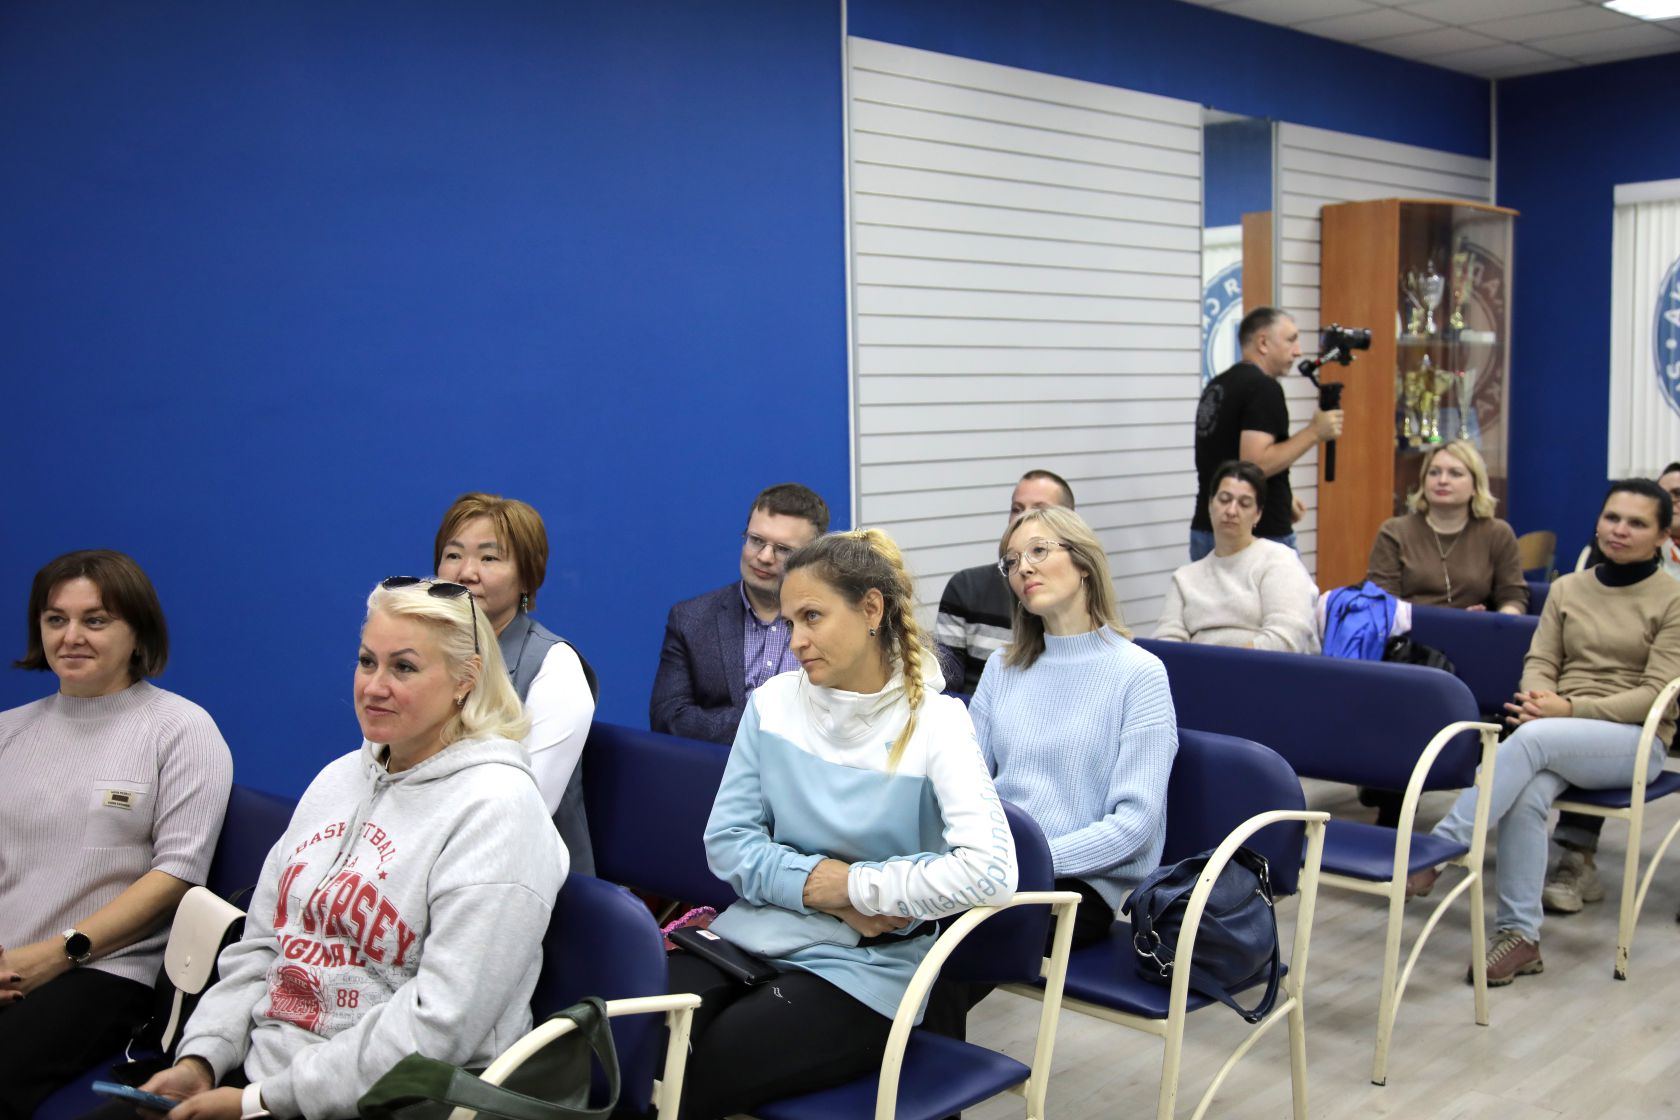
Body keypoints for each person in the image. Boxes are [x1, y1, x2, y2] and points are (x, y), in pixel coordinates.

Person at [113, 578, 566, 1118]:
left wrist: (259, 1101)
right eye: (367, 661)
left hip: (395, 1099)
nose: (374, 686)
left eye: (404, 667)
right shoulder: (338, 779)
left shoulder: (499, 809)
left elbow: (441, 1023)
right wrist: (202, 1059)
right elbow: (263, 946)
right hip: (259, 1080)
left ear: (465, 680)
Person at [674, 529, 1016, 1119]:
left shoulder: (937, 722)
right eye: (790, 623)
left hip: (868, 965)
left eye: (812, 617)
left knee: (706, 1068)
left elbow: (991, 873)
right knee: (638, 1036)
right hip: (756, 931)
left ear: (871, 610)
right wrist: (825, 889)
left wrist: (857, 887)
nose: (796, 642)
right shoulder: (773, 704)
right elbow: (727, 842)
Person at [1407, 480, 1680, 985]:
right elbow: (1541, 661)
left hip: (1634, 740)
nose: (1620, 530)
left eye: (1637, 523)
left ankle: (1439, 851)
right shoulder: (1569, 589)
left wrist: (1566, 709)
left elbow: (1655, 694)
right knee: (1527, 792)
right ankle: (1520, 936)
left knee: (1530, 742)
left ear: (1663, 536)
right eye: (1612, 517)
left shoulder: (1673, 599)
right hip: (1556, 731)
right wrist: (1540, 700)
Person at [0, 550, 233, 1119]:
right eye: (56, 619)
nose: (71, 636)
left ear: (137, 632)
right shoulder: (9, 732)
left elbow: (177, 876)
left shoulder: (181, 729)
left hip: (102, 970)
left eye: (96, 620)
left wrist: (56, 954)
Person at [972, 505, 1179, 948]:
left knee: (947, 935)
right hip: (990, 869)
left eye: (1038, 551)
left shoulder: (1139, 674)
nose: (1023, 568)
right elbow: (967, 785)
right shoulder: (1002, 667)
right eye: (1011, 561)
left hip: (1073, 887)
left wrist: (1029, 860)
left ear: (1083, 563)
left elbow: (1134, 825)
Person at [433, 492, 598, 871]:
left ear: (527, 577)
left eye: (489, 558)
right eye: (453, 555)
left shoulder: (555, 667)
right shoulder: (421, 653)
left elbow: (524, 811)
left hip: (517, 871)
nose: (466, 573)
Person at [1546, 461, 1680, 912]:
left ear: (1658, 529)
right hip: (1628, 691)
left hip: (1666, 695)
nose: (1674, 502)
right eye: (1668, 494)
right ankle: (1576, 858)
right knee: (1588, 727)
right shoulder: (1605, 563)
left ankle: (1443, 848)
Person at [650, 483, 829, 744]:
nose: (765, 557)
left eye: (783, 549)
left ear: (812, 557)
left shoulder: (834, 622)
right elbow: (667, 718)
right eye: (756, 540)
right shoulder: (691, 619)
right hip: (718, 768)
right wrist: (764, 720)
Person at [1190, 307, 1343, 561]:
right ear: (1263, 343)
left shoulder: (1218, 385)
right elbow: (1253, 465)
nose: (1298, 351)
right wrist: (1315, 432)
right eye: (1291, 340)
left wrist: (1283, 497)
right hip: (1257, 537)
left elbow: (1225, 456)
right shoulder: (1263, 388)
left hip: (1209, 528)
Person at [1154, 460, 1320, 653]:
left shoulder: (1279, 561)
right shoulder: (1184, 578)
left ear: (1258, 514)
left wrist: (1224, 665)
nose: (1231, 511)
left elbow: (1287, 637)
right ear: (1210, 505)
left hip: (1262, 669)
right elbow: (1166, 643)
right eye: (1224, 500)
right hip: (1196, 670)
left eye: (1244, 504)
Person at [934, 469, 1074, 693]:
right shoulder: (966, 588)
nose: (1023, 518)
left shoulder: (1074, 598)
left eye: (1039, 510)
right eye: (1016, 509)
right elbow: (943, 690)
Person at [1364, 440, 1527, 613]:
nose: (1442, 480)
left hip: (1474, 628)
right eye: (1434, 472)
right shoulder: (1394, 532)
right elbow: (1381, 603)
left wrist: (1491, 623)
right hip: (1409, 628)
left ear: (1475, 486)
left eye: (1455, 474)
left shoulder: (1498, 533)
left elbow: (1513, 597)